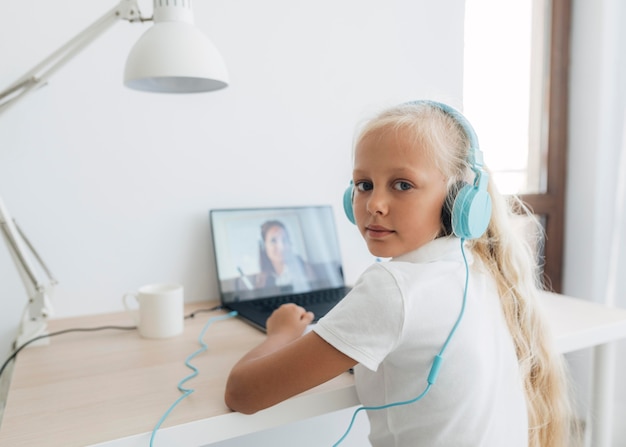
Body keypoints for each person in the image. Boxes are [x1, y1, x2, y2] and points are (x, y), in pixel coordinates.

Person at [225, 100, 574, 447]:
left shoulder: (392, 287)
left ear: (456, 199)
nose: (374, 203)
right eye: (363, 185)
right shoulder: (479, 267)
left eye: (402, 185)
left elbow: (242, 393)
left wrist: (281, 333)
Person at [255, 220, 317, 291]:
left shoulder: (304, 267)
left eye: (284, 240)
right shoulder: (262, 279)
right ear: (264, 247)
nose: (281, 247)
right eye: (273, 241)